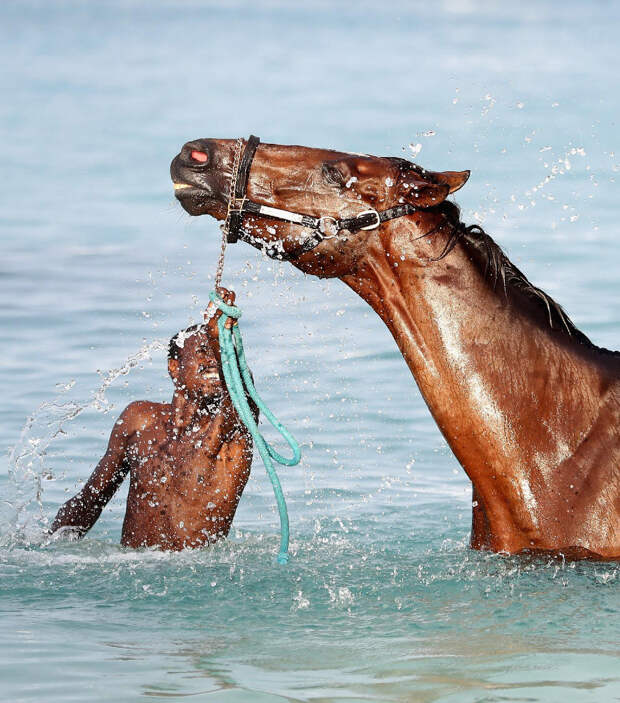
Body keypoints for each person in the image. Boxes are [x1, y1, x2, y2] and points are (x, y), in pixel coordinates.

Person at [50, 289, 255, 550]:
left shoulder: (228, 431)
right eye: (204, 351)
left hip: (197, 578)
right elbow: (91, 499)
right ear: (174, 366)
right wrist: (47, 547)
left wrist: (219, 339)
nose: (214, 361)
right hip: (130, 572)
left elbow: (244, 393)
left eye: (218, 354)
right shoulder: (140, 420)